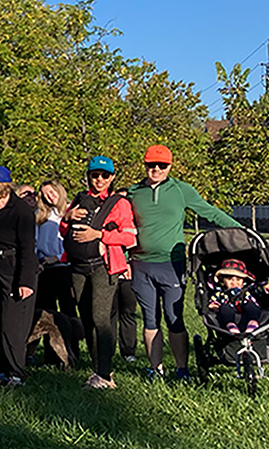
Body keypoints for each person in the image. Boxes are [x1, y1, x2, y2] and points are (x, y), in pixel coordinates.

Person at [128, 144, 240, 381]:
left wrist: (241, 231)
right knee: (150, 319)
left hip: (172, 264)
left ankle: (182, 369)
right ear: (145, 165)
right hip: (141, 265)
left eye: (162, 165)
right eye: (151, 165)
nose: (156, 169)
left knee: (174, 318)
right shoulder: (133, 192)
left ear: (170, 166)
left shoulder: (181, 190)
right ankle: (155, 369)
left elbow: (209, 212)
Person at [60, 156, 137, 389]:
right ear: (88, 176)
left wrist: (99, 235)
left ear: (112, 177)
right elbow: (64, 231)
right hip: (78, 266)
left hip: (103, 266)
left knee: (101, 318)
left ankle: (105, 374)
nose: (99, 179)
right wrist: (67, 217)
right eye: (95, 175)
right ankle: (98, 370)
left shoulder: (118, 203)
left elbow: (130, 237)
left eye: (105, 175)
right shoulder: (80, 199)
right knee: (87, 320)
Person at [0, 166, 37, 387]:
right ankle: (1, 369)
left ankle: (16, 372)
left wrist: (25, 281)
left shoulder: (20, 210)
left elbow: (27, 248)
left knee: (11, 324)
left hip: (13, 271)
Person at [33, 180, 75, 364]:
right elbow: (35, 241)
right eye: (45, 194)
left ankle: (72, 353)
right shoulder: (40, 215)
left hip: (65, 267)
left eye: (51, 191)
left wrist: (61, 257)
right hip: (45, 268)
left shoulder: (70, 211)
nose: (49, 196)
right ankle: (51, 356)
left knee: (67, 312)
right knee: (47, 313)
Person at [208, 259, 269, 334]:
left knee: (251, 306)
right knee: (225, 308)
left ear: (244, 280)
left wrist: (265, 287)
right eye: (229, 279)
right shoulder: (221, 291)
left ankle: (253, 322)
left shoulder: (248, 288)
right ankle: (230, 325)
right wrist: (214, 305)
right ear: (222, 280)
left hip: (247, 307)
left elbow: (257, 289)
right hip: (230, 309)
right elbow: (215, 299)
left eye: (238, 279)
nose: (234, 283)